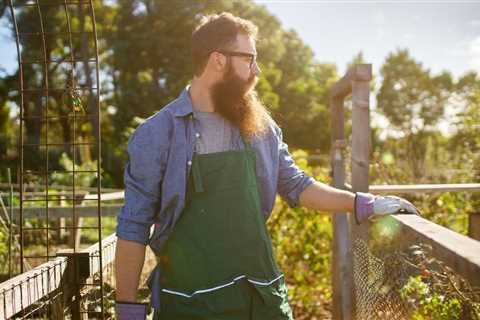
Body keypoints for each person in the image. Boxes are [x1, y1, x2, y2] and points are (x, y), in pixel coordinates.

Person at [114, 12, 418, 320]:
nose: (256, 70)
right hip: (192, 302)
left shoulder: (259, 125)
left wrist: (361, 203)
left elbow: (296, 185)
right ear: (217, 60)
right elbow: (133, 226)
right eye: (249, 59)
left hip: (259, 296)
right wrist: (127, 310)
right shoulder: (157, 134)